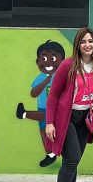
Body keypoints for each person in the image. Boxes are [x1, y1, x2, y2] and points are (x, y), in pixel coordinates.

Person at [44, 28, 93, 182]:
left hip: (85, 117)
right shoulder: (68, 65)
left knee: (73, 162)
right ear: (77, 45)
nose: (87, 45)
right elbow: (53, 95)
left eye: (91, 41)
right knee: (72, 159)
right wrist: (49, 122)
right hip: (67, 117)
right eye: (83, 42)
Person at [16, 39, 66, 167]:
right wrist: (45, 81)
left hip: (58, 109)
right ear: (37, 62)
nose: (48, 62)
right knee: (43, 130)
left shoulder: (62, 75)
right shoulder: (41, 77)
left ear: (62, 61)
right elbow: (34, 93)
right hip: (42, 106)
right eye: (44, 59)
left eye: (53, 59)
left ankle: (24, 114)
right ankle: (50, 154)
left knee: (54, 127)